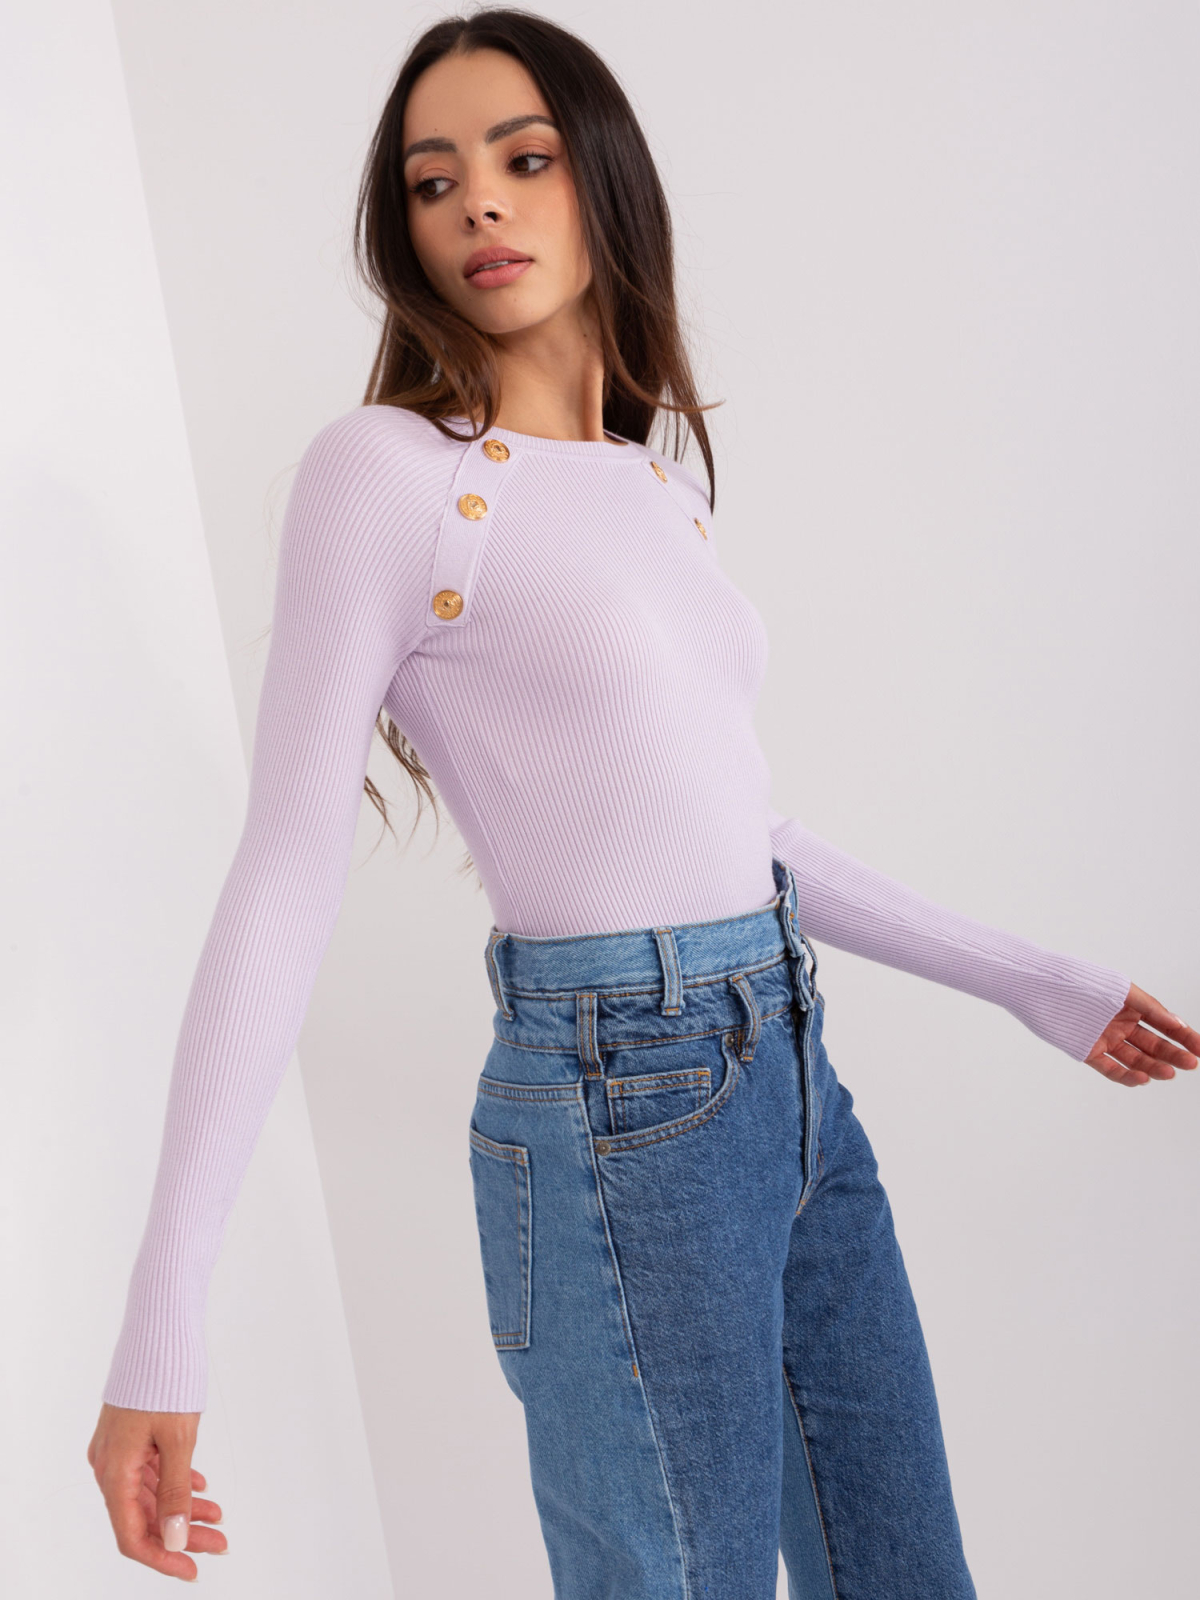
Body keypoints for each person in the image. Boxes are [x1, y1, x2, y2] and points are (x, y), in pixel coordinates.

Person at [87, 10, 1198, 1595]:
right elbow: (285, 867)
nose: (480, 201)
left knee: (906, 1570)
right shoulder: (391, 475)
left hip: (793, 1070)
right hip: (619, 1099)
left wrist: (1042, 983)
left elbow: (743, 839)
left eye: (525, 158)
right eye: (433, 180)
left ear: (602, 178)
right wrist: (164, 1328)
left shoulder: (656, 483)